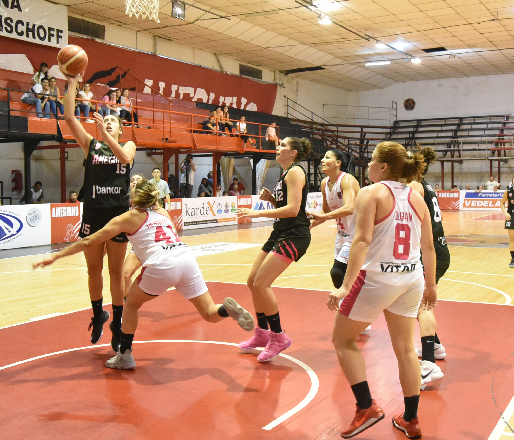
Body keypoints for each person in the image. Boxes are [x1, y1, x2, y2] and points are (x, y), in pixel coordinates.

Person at [33, 178, 255, 370]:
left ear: (134, 198)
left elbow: (90, 240)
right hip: (186, 258)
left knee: (130, 305)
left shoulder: (127, 218)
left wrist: (56, 256)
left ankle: (125, 355)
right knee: (208, 312)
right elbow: (160, 239)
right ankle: (226, 310)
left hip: (162, 264)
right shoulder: (163, 213)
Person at [327, 141, 436, 440]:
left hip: (377, 279)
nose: (368, 165)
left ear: (384, 166)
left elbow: (361, 241)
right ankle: (411, 419)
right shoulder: (417, 196)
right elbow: (428, 246)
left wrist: (345, 286)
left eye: (372, 160)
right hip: (411, 279)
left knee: (342, 340)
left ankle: (366, 407)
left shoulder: (370, 192)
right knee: (405, 350)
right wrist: (431, 285)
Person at [63, 72, 136, 351]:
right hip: (93, 213)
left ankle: (117, 324)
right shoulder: (90, 145)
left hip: (118, 216)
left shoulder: (128, 144)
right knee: (93, 269)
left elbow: (126, 159)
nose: (107, 122)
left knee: (115, 272)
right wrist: (72, 85)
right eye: (104, 120)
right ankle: (98, 314)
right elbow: (70, 118)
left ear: (119, 129)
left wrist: (107, 136)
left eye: (112, 122)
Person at [234, 137, 313, 363]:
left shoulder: (296, 172)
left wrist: (257, 213)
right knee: (252, 281)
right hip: (280, 232)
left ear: (294, 153)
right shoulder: (285, 173)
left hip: (294, 234)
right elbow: (286, 208)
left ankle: (278, 336)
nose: (277, 148)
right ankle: (261, 333)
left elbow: (295, 209)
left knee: (261, 284)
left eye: (282, 146)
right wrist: (272, 201)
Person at [308, 149, 368, 337]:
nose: (322, 160)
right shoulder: (325, 183)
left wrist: (324, 215)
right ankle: (360, 313)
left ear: (338, 163)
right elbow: (325, 211)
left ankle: (354, 313)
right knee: (343, 275)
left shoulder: (348, 180)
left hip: (357, 234)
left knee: (337, 272)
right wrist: (308, 226)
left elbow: (350, 208)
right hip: (342, 235)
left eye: (327, 157)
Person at [407, 147, 449, 386]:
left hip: (429, 251)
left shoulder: (413, 187)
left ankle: (429, 365)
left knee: (421, 305)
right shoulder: (426, 186)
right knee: (418, 303)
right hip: (437, 248)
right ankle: (435, 345)